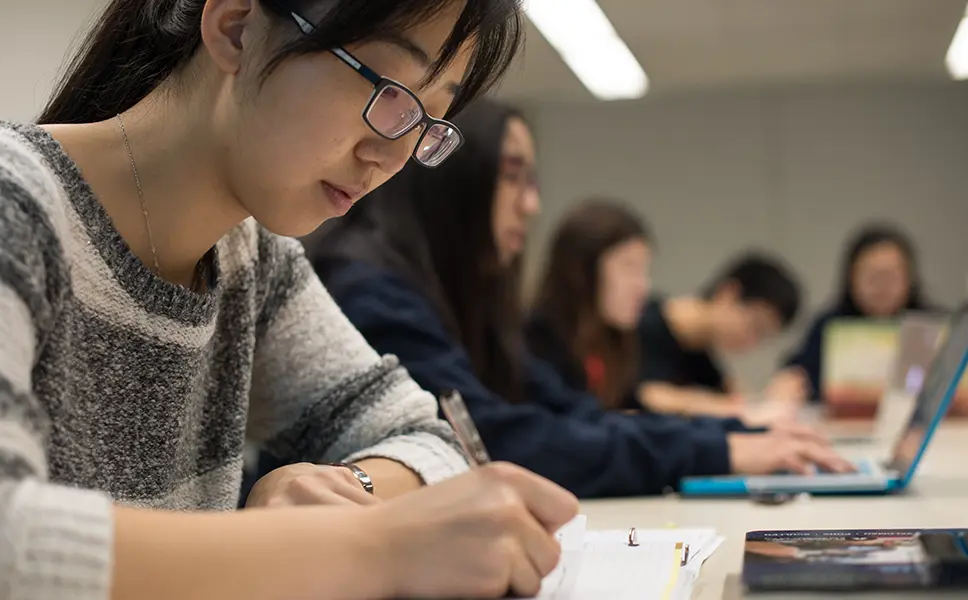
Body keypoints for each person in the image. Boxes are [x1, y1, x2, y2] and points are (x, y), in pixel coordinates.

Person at [0, 1, 584, 598]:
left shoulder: (250, 258)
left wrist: (341, 490)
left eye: (425, 122)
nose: (393, 155)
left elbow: (433, 442)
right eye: (390, 92)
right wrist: (367, 546)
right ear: (236, 29)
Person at [307, 99, 852, 500]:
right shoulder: (374, 290)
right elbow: (495, 440)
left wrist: (739, 436)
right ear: (455, 179)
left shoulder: (460, 299)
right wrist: (721, 448)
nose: (533, 205)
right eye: (513, 178)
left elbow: (576, 415)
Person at [770, 224, 933, 402]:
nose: (881, 287)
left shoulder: (932, 327)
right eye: (872, 276)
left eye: (890, 276)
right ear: (851, 277)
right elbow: (798, 374)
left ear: (909, 278)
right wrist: (789, 382)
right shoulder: (829, 325)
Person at [635, 254, 805, 424]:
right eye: (755, 326)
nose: (751, 343)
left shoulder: (700, 350)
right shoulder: (639, 324)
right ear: (728, 293)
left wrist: (771, 400)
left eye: (762, 338)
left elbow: (733, 398)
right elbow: (644, 395)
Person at [526, 199, 652, 412]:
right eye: (629, 267)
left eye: (644, 270)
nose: (643, 287)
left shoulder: (612, 345)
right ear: (582, 271)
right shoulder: (535, 343)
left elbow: (634, 415)